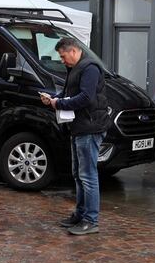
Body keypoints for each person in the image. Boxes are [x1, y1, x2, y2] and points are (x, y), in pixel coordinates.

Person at [41, 37, 109, 236]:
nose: (62, 60)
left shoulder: (89, 68)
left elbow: (86, 97)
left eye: (63, 56)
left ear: (73, 51)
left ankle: (91, 220)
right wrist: (55, 99)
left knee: (87, 176)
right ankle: (80, 214)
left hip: (89, 127)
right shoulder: (77, 67)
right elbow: (70, 92)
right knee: (79, 174)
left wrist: (59, 104)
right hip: (80, 127)